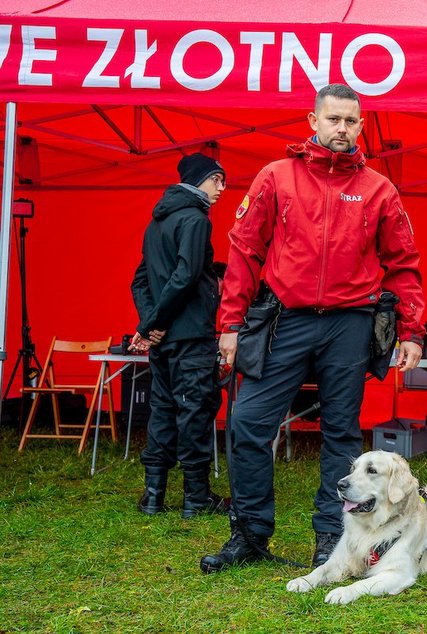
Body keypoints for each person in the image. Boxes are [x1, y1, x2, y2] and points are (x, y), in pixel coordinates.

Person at [200, 84, 425, 573]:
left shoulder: (379, 189)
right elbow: (244, 253)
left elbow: (403, 263)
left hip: (351, 323)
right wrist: (231, 323)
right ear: (313, 121)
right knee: (248, 424)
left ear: (361, 125)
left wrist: (411, 329)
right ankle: (250, 535)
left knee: (341, 433)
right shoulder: (276, 176)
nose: (341, 129)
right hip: (286, 319)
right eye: (333, 119)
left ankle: (332, 539)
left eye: (351, 121)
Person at [130, 152, 230, 518]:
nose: (222, 188)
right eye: (217, 179)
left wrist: (152, 324)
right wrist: (152, 324)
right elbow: (187, 276)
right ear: (200, 179)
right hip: (190, 336)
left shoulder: (156, 222)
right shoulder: (196, 219)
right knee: (195, 412)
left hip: (165, 339)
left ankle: (153, 496)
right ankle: (196, 498)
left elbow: (139, 281)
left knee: (162, 410)